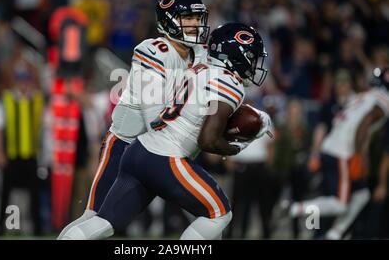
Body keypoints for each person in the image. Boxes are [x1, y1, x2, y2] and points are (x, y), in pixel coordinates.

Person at [61, 23, 272, 240]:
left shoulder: (198, 69)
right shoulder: (229, 82)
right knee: (219, 213)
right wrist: (235, 148)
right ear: (238, 55)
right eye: (251, 57)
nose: (253, 64)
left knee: (105, 222)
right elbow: (208, 139)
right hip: (166, 159)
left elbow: (199, 117)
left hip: (139, 151)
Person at [58, 0, 210, 238]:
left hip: (158, 152)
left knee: (212, 212)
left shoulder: (199, 55)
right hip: (127, 147)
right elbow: (155, 117)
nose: (195, 24)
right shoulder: (154, 50)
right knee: (96, 219)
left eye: (197, 17)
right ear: (168, 20)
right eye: (188, 18)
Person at [290, 67, 389, 240]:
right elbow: (364, 124)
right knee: (341, 204)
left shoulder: (364, 95)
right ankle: (296, 208)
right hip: (342, 153)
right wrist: (360, 155)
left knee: (362, 194)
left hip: (334, 149)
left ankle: (335, 233)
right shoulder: (383, 100)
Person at [0, 68, 45, 235]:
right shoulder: (6, 100)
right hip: (12, 154)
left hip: (31, 154)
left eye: (26, 80)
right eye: (20, 80)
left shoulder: (36, 100)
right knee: (5, 192)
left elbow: (43, 127)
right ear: (15, 82)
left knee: (35, 194)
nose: (24, 84)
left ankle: (37, 228)